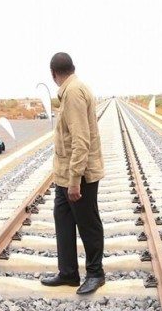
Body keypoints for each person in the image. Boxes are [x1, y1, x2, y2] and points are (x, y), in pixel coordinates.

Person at [40, 52, 105, 295]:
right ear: (72, 67)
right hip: (64, 176)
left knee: (88, 223)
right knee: (63, 220)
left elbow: (81, 140)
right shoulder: (70, 91)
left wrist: (75, 180)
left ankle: (96, 273)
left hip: (80, 176)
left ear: (53, 74)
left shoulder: (74, 93)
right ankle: (68, 273)